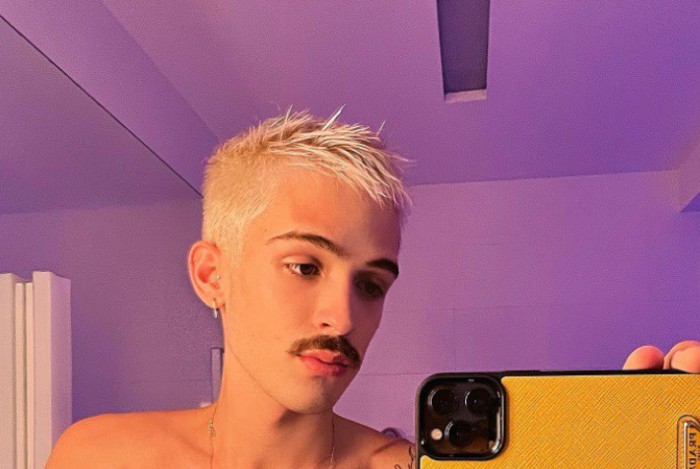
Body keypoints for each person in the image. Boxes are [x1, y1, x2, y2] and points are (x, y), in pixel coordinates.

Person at [47, 110, 700, 468]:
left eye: (371, 283)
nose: (343, 317)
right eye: (305, 266)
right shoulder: (99, 457)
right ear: (212, 275)